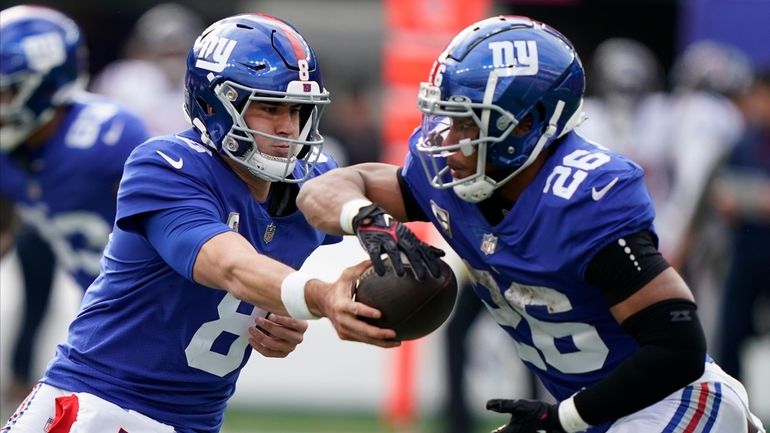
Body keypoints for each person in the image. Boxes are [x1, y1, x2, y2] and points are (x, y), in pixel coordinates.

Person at [297, 16, 766, 433]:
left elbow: (677, 349)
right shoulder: (447, 177)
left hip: (672, 403)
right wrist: (366, 220)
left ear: (528, 125)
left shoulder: (582, 199)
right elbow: (325, 189)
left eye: (469, 122)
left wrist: (560, 419)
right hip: (594, 412)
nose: (448, 139)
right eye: (448, 117)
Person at [3, 13, 400, 433]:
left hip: (194, 420)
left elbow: (388, 185)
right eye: (269, 108)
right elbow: (230, 265)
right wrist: (319, 298)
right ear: (213, 105)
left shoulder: (311, 181)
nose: (289, 127)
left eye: (299, 110)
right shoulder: (165, 166)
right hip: (98, 404)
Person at [0, 5, 151, 411]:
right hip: (98, 319)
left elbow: (175, 220)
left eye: (5, 92)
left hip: (151, 317)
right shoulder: (9, 152)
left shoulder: (108, 136)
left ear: (46, 84)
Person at [711, 69, 770, 382]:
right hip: (746, 249)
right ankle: (735, 405)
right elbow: (723, 187)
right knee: (732, 331)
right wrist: (727, 201)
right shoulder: (744, 143)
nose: (758, 105)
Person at [90, 3, 204, 135]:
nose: (171, 63)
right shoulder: (122, 79)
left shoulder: (205, 82)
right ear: (143, 50)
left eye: (177, 53)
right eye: (165, 54)